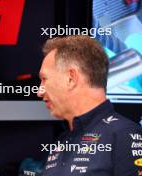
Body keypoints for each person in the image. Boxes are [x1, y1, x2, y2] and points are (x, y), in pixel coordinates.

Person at [37, 35, 142, 176]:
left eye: (44, 79)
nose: (39, 92)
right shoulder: (62, 142)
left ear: (71, 78)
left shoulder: (124, 135)